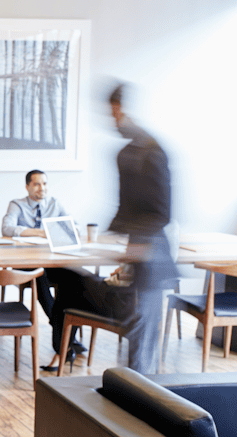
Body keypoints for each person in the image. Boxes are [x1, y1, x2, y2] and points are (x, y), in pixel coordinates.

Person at [45, 85, 178, 374]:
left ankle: (142, 401)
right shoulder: (126, 154)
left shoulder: (152, 152)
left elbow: (162, 212)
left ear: (125, 110)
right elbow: (125, 208)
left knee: (141, 350)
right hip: (134, 263)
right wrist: (108, 240)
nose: (113, 120)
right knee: (70, 281)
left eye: (115, 113)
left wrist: (136, 246)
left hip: (151, 264)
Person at [1, 170, 87, 359]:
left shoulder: (55, 204)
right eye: (37, 184)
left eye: (45, 184)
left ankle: (66, 328)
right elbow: (7, 229)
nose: (42, 188)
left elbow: (75, 227)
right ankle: (61, 326)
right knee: (39, 276)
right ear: (28, 187)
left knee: (77, 276)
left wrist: (60, 229)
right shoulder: (17, 205)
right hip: (25, 263)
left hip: (52, 261)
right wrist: (39, 232)